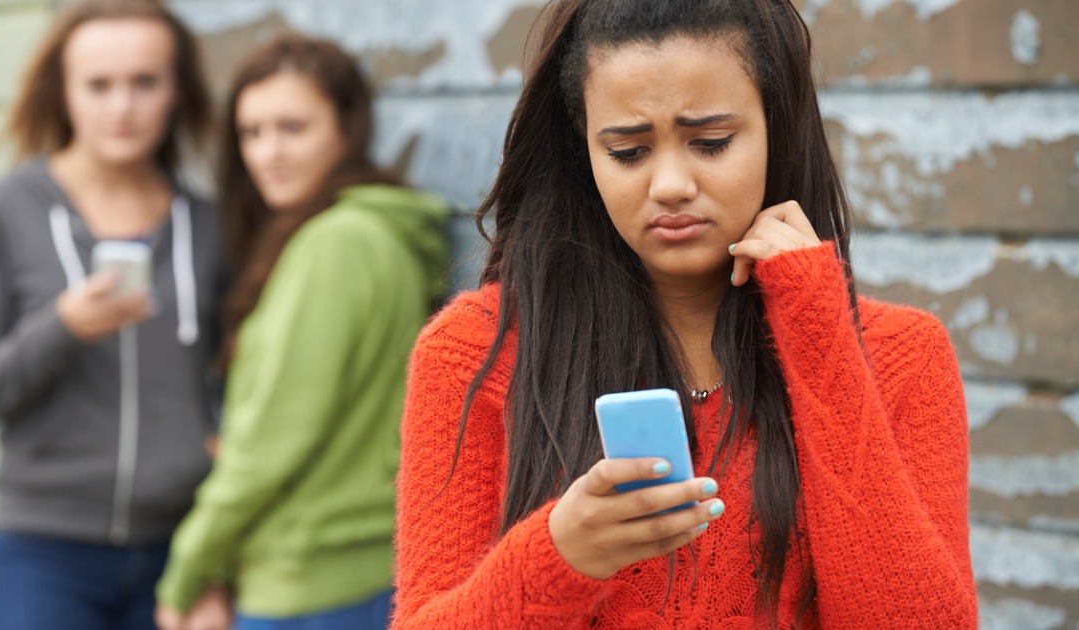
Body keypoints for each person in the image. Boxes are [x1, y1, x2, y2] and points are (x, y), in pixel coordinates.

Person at [393, 0, 978, 628]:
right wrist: (559, 558)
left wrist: (820, 334)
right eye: (627, 152)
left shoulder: (901, 355)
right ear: (582, 148)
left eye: (711, 142)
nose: (670, 183)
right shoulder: (476, 351)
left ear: (776, 128)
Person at [0, 1, 229, 628]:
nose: (121, 107)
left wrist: (216, 562)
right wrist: (62, 327)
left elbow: (239, 391)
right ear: (63, 92)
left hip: (179, 551)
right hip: (45, 554)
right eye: (98, 85)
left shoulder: (209, 225)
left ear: (176, 91)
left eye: (144, 82)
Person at [154, 35, 450, 630]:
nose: (268, 153)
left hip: (310, 585)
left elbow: (273, 441)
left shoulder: (336, 244)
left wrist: (187, 571)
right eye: (251, 133)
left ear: (347, 127)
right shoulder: (378, 232)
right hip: (357, 571)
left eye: (292, 127)